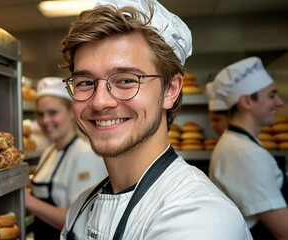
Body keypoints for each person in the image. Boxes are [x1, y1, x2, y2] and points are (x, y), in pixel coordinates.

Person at [58, 0, 252, 239]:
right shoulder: (81, 207)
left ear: (170, 89)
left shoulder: (201, 217)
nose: (100, 102)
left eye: (126, 80)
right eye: (85, 83)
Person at [209, 56, 288, 239]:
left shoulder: (240, 145)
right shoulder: (243, 153)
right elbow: (284, 231)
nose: (279, 103)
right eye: (271, 95)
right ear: (246, 102)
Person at [25, 77, 107, 240]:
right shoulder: (49, 151)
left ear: (71, 112)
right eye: (40, 114)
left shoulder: (85, 154)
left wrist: (28, 201)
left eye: (52, 113)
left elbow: (82, 220)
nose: (45, 120)